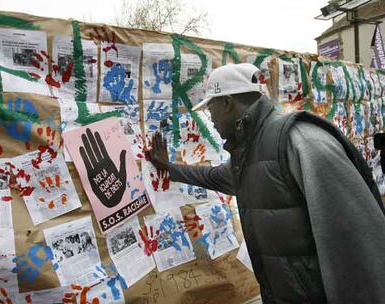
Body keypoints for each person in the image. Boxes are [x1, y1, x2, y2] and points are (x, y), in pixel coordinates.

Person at [148, 63, 385, 304]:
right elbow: (212, 177)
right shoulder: (248, 153)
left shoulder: (300, 141)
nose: (212, 120)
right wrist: (168, 168)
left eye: (211, 110)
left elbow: (360, 247)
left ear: (227, 103)